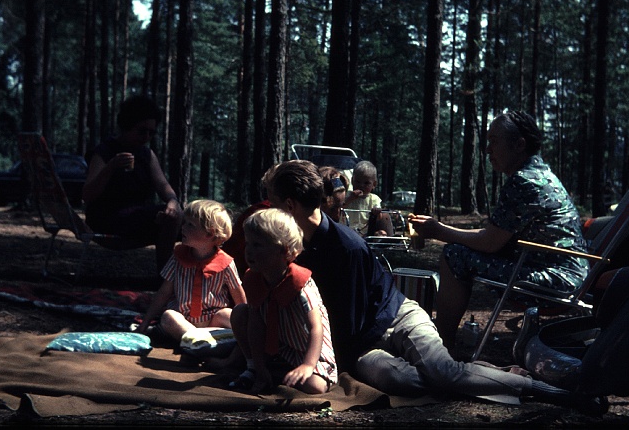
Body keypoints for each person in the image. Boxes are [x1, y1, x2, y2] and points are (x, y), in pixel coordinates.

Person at [234, 160, 602, 413]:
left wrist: (323, 368)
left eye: (272, 202)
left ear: (290, 205)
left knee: (441, 372)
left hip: (395, 317)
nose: (266, 209)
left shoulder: (347, 247)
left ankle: (552, 392)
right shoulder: (284, 249)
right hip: (364, 342)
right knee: (404, 380)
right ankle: (491, 374)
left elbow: (346, 322)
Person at [408, 111, 590, 349]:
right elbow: (495, 235)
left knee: (455, 255)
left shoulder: (524, 181)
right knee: (459, 251)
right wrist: (439, 228)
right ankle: (443, 341)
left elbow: (489, 243)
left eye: (494, 141)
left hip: (556, 281)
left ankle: (442, 345)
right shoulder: (540, 174)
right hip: (568, 274)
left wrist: (438, 231)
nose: (487, 150)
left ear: (519, 145)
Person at [230, 208, 337, 394]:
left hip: (308, 349)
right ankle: (254, 368)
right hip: (279, 347)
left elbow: (316, 328)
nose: (249, 251)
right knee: (240, 312)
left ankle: (286, 374)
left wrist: (308, 365)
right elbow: (255, 324)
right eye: (248, 244)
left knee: (314, 386)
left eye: (257, 245)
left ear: (283, 250)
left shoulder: (300, 284)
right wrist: (259, 365)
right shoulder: (253, 279)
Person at [137, 199, 246, 367]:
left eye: (190, 225)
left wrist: (246, 324)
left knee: (227, 314)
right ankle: (200, 344)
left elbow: (239, 298)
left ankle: (199, 346)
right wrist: (145, 322)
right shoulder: (178, 257)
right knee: (168, 316)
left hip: (213, 322)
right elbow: (164, 292)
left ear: (209, 234)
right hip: (183, 322)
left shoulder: (225, 263)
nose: (183, 227)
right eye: (184, 223)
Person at [82, 95, 183, 271]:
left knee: (191, 219)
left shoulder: (146, 155)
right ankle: (165, 277)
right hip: (108, 219)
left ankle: (199, 276)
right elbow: (88, 195)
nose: (147, 137)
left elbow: (163, 185)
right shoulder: (105, 152)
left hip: (138, 217)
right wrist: (110, 167)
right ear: (127, 125)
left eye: (151, 133)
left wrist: (173, 201)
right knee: (166, 219)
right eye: (142, 131)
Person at [343, 160, 393, 236]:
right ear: (352, 181)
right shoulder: (347, 194)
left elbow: (379, 218)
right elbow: (340, 207)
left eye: (366, 183)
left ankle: (387, 241)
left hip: (365, 232)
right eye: (357, 182)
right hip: (347, 230)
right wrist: (350, 198)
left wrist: (376, 212)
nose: (361, 185)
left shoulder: (374, 199)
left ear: (374, 184)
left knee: (382, 233)